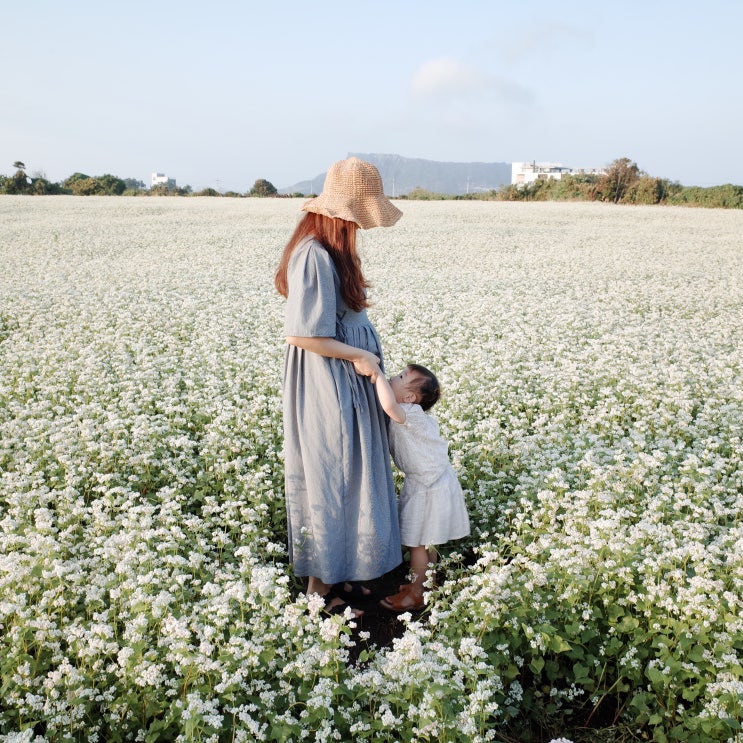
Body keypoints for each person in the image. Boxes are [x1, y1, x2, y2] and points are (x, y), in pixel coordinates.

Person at [274, 157, 403, 617]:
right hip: (327, 388)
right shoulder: (313, 253)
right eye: (359, 219)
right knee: (330, 478)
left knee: (345, 478)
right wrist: (361, 357)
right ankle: (318, 592)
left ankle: (336, 581)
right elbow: (302, 334)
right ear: (340, 214)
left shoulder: (330, 251)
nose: (361, 229)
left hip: (344, 384)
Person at [373, 364, 470, 612]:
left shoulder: (410, 412)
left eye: (400, 377)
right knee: (428, 541)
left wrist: (376, 376)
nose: (393, 376)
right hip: (433, 481)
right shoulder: (415, 413)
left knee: (417, 543)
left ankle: (417, 592)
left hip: (428, 485)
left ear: (409, 398)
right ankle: (429, 584)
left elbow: (388, 406)